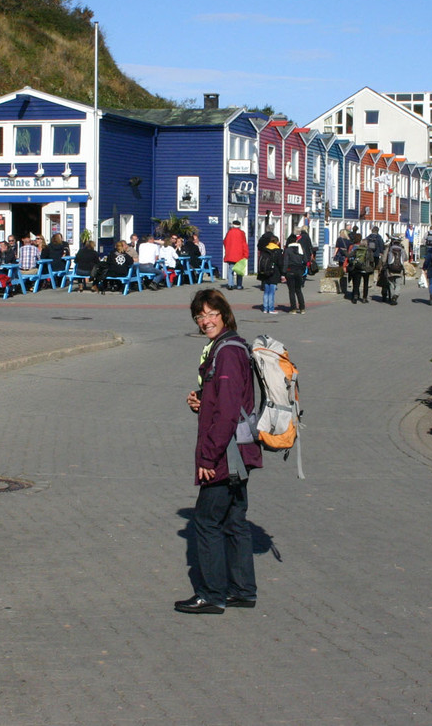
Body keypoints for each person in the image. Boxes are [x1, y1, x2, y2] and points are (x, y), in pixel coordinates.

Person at [176, 288, 261, 614]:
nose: (205, 320)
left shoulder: (226, 352)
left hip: (226, 453)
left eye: (211, 313)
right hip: (241, 448)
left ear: (224, 314)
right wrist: (202, 399)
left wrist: (209, 457)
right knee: (234, 519)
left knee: (207, 520)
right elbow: (226, 398)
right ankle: (243, 590)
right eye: (200, 315)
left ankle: (211, 594)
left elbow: (226, 411)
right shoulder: (232, 347)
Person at [256, 232, 282, 314]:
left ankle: (265, 308)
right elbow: (280, 263)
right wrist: (283, 274)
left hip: (265, 273)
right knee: (272, 292)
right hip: (274, 273)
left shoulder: (264, 249)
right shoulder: (277, 251)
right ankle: (271, 309)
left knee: (266, 291)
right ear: (276, 242)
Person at [346, 235, 374, 304]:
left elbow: (349, 256)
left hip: (357, 268)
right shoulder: (369, 250)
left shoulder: (357, 249)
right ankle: (364, 298)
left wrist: (345, 252)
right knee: (365, 283)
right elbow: (372, 260)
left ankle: (355, 297)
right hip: (366, 269)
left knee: (356, 283)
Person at [380, 235, 407, 305]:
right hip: (399, 269)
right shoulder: (402, 249)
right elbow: (405, 258)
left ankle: (392, 298)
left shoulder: (389, 249)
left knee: (391, 284)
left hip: (390, 269)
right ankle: (396, 295)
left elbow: (383, 259)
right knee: (398, 284)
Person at [223, 220, 249, 290]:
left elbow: (225, 242)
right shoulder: (241, 233)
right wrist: (246, 254)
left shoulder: (229, 233)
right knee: (239, 270)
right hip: (240, 255)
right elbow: (244, 244)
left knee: (231, 269)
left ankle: (230, 284)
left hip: (230, 254)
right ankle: (239, 285)